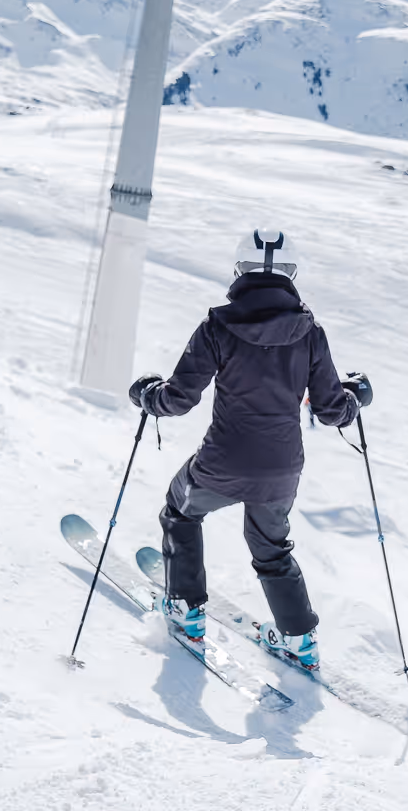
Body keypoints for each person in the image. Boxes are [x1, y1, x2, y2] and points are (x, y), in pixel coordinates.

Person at [128, 229, 370, 672]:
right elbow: (333, 410)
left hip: (221, 462)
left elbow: (178, 399)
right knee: (271, 548)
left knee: (180, 512)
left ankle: (185, 608)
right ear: (291, 273)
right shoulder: (310, 332)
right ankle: (298, 639)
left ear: (239, 269)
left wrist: (148, 395)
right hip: (281, 469)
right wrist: (356, 397)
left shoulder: (218, 327)